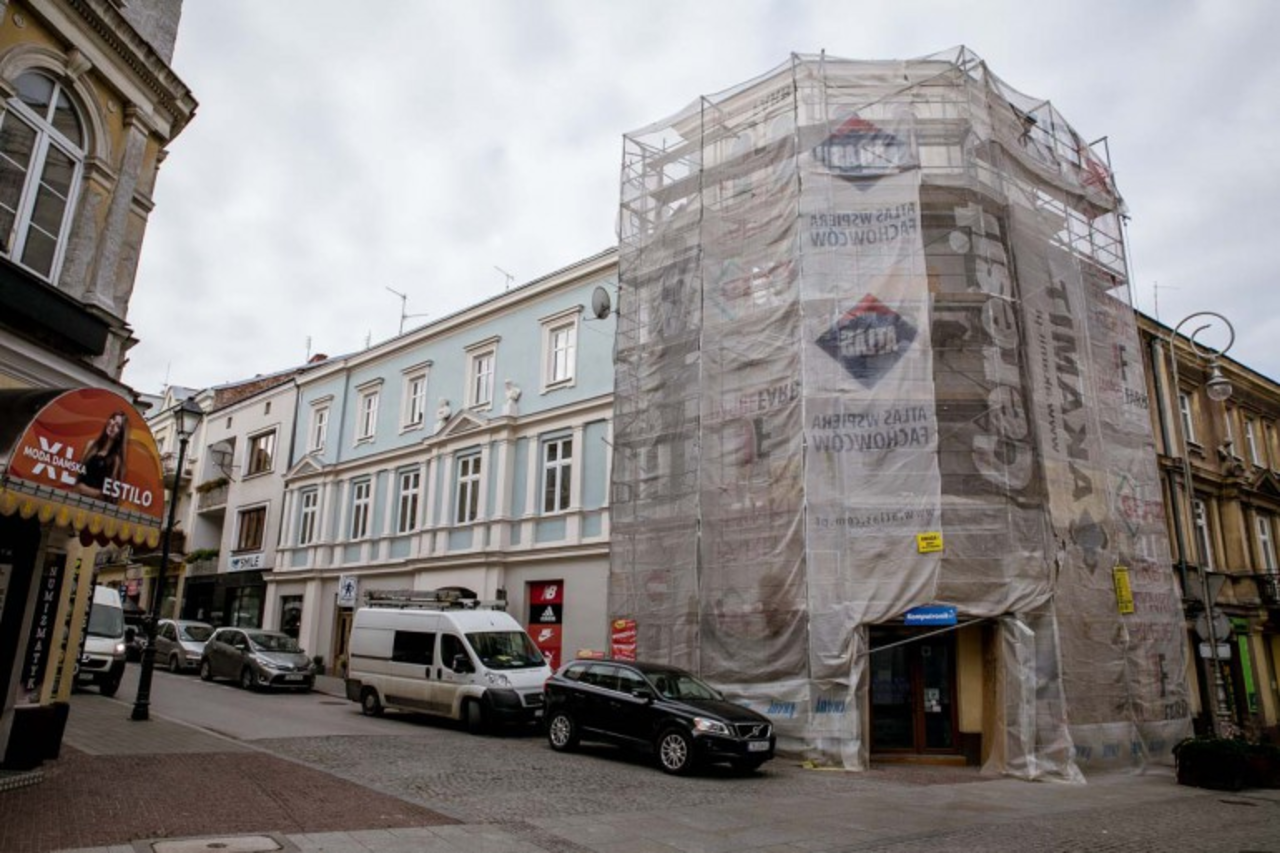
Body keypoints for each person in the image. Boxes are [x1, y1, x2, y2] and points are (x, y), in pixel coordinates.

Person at [74, 411, 128, 501]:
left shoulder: (116, 460)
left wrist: (84, 489)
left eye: (117, 425)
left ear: (120, 435)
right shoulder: (90, 446)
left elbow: (110, 494)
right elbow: (78, 476)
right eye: (113, 419)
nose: (113, 425)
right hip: (75, 500)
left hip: (95, 505)